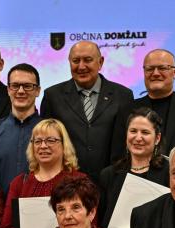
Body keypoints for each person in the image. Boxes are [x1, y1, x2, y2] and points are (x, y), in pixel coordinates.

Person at [0, 118, 85, 228]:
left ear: (64, 145)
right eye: (37, 141)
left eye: (50, 140)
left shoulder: (79, 181)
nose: (43, 146)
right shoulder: (19, 184)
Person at [40, 40, 134, 180]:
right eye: (76, 61)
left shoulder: (123, 96)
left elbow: (127, 145)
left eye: (88, 60)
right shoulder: (52, 96)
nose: (81, 66)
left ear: (100, 62)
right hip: (66, 182)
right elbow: (46, 141)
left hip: (111, 181)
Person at [112, 49, 175, 161]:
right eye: (149, 69)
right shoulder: (127, 111)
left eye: (162, 68)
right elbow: (117, 157)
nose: (155, 73)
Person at [0, 63, 43, 193]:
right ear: (8, 90)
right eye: (15, 85)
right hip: (0, 205)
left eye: (27, 86)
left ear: (37, 91)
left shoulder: (51, 131)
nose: (21, 91)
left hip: (41, 204)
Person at [99, 107, 169, 228]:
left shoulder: (169, 172)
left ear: (157, 138)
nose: (138, 138)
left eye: (145, 132)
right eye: (133, 131)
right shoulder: (108, 174)